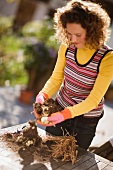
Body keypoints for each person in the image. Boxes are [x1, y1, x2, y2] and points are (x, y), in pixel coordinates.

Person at [33, 0, 113, 150]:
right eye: (69, 34)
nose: (73, 40)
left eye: (78, 34)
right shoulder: (67, 46)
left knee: (73, 160)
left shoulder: (107, 58)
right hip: (60, 106)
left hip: (85, 121)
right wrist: (43, 95)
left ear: (93, 31)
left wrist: (65, 114)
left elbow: (94, 100)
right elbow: (57, 77)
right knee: (48, 151)